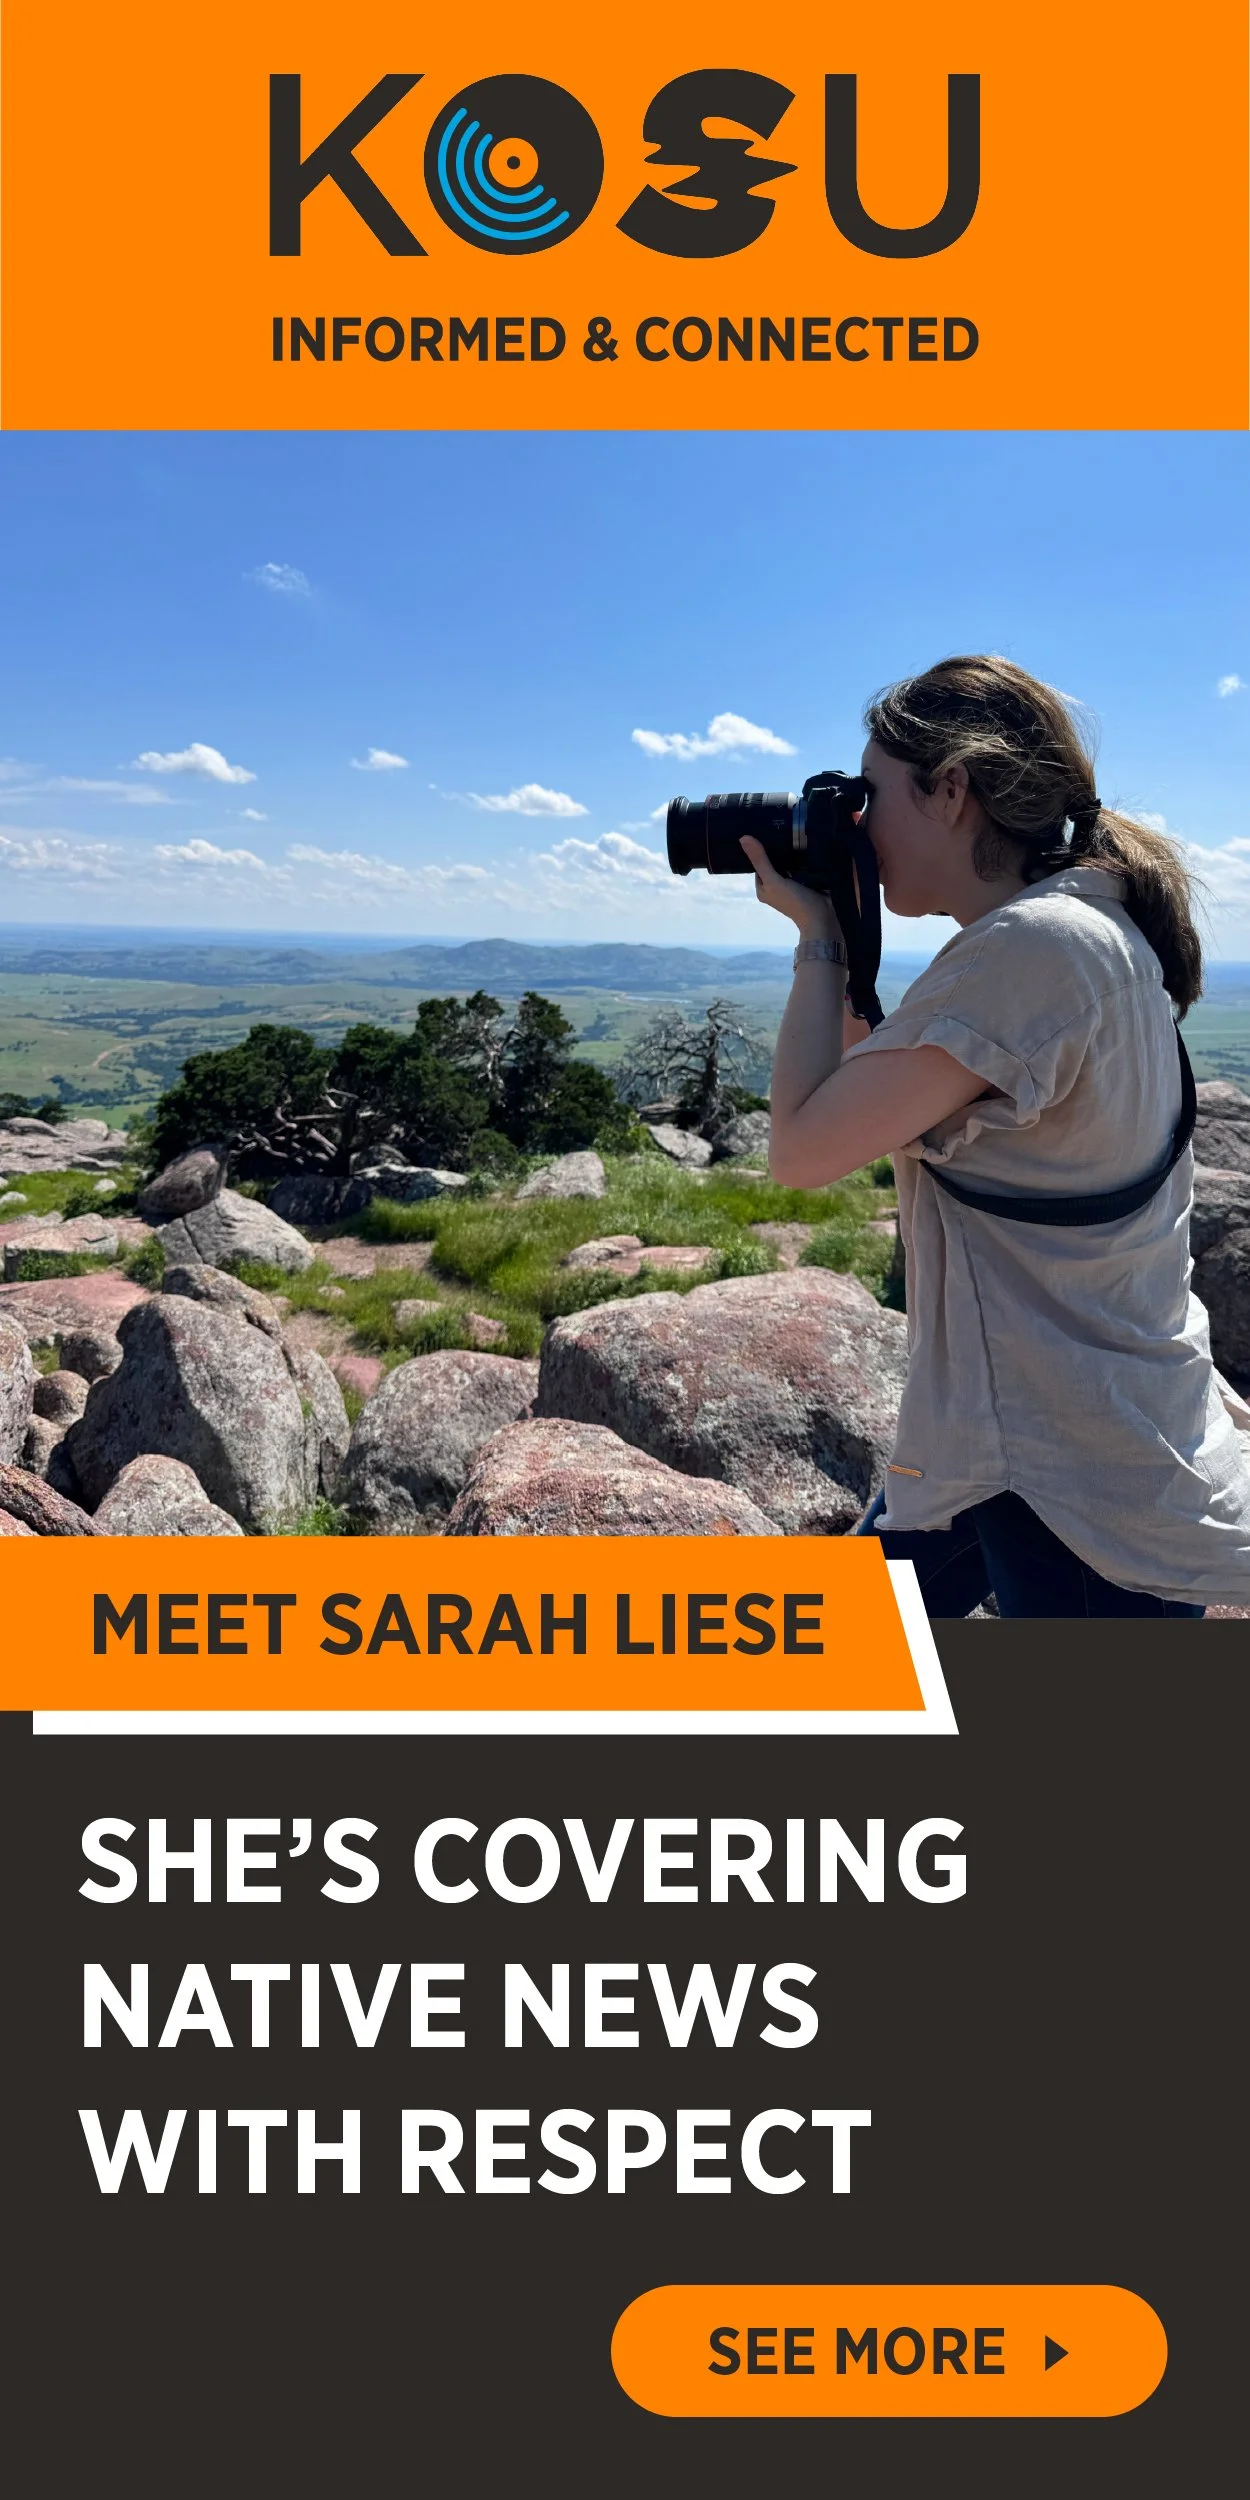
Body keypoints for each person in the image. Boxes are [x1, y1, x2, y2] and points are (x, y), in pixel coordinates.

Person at [742, 653, 1250, 1618]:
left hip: (1073, 1479)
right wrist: (840, 915)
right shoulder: (1077, 929)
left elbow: (802, 1151)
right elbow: (871, 1095)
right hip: (1012, 1419)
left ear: (951, 791)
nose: (857, 825)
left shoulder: (1033, 949)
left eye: (870, 795)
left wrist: (819, 941)